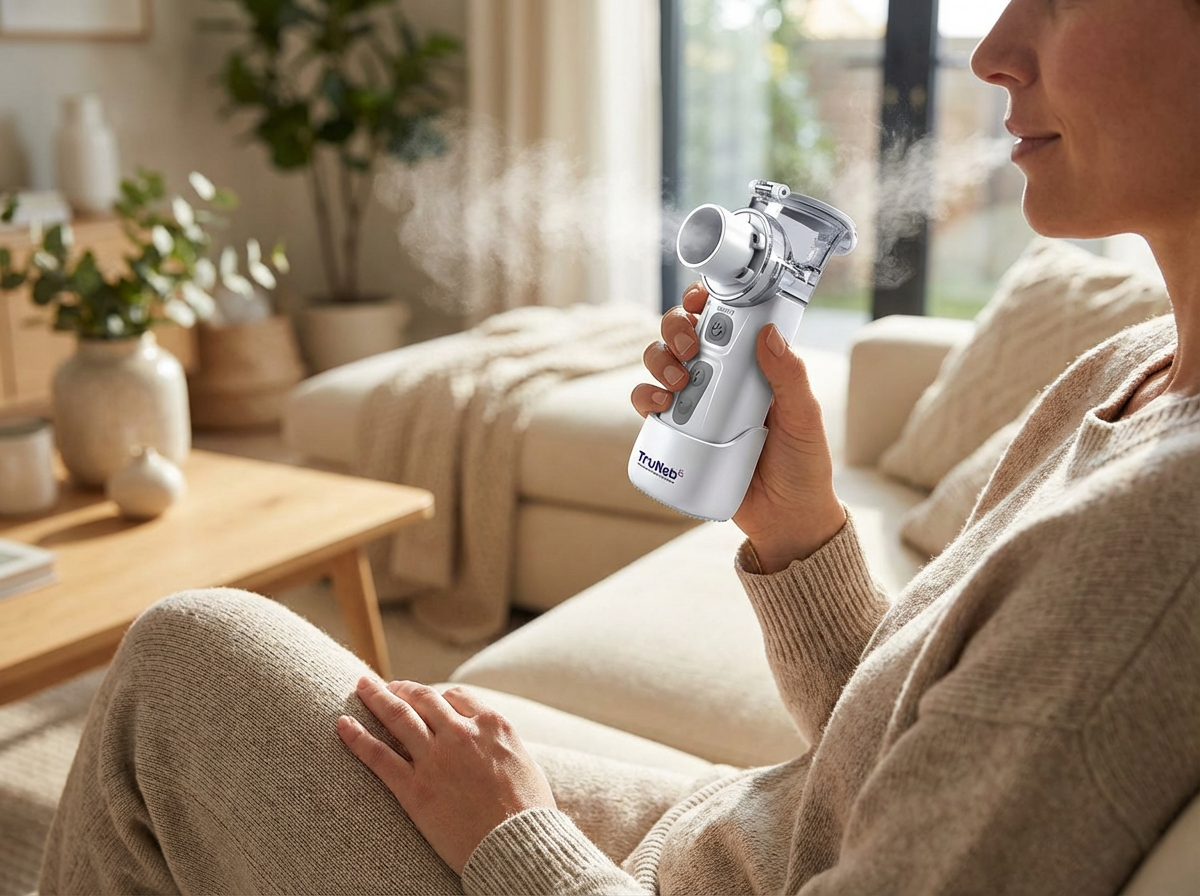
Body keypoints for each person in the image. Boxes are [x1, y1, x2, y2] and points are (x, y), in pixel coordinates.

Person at [39, 0, 1200, 892]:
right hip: (723, 838)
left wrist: (513, 835)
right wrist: (795, 527)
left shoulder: (1165, 535)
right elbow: (908, 741)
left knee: (185, 658)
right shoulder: (1122, 372)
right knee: (398, 707)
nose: (993, 49)